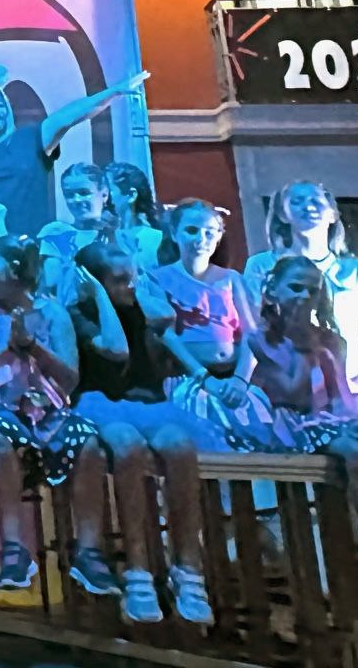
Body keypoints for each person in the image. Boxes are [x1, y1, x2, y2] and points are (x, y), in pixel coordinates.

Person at [249, 256, 358, 610]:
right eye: (296, 287)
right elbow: (291, 394)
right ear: (272, 291)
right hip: (287, 424)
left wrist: (356, 419)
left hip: (327, 420)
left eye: (313, 290)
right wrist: (304, 346)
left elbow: (340, 394)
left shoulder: (333, 339)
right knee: (356, 455)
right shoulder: (258, 340)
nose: (305, 296)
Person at [64, 241, 215, 625]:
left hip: (148, 402)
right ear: (92, 282)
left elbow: (164, 317)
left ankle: (188, 566)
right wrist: (98, 294)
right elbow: (114, 350)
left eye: (132, 277)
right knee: (128, 449)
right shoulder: (79, 314)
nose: (129, 286)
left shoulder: (141, 306)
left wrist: (135, 285)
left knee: (180, 448)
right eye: (118, 280)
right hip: (102, 401)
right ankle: (138, 568)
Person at [0, 235, 96, 594]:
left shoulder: (53, 313)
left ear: (13, 269)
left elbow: (70, 377)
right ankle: (14, 547)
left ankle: (90, 549)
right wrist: (8, 349)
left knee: (89, 440)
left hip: (46, 405)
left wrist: (34, 347)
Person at [0, 67, 147, 239]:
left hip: (23, 252)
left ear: (9, 110)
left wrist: (114, 92)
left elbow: (71, 115)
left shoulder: (31, 139)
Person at [243, 182, 358, 405]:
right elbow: (253, 322)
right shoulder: (262, 265)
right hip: (287, 388)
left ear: (332, 213)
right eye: (297, 201)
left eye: (315, 200)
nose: (308, 206)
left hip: (354, 388)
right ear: (282, 214)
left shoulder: (357, 270)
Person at [148, 199, 280, 450]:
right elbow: (166, 335)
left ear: (218, 237)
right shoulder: (158, 278)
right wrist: (203, 376)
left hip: (232, 379)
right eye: (191, 230)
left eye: (209, 232)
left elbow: (251, 333)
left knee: (252, 435)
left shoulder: (231, 279)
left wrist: (241, 380)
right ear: (174, 234)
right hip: (188, 376)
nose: (201, 238)